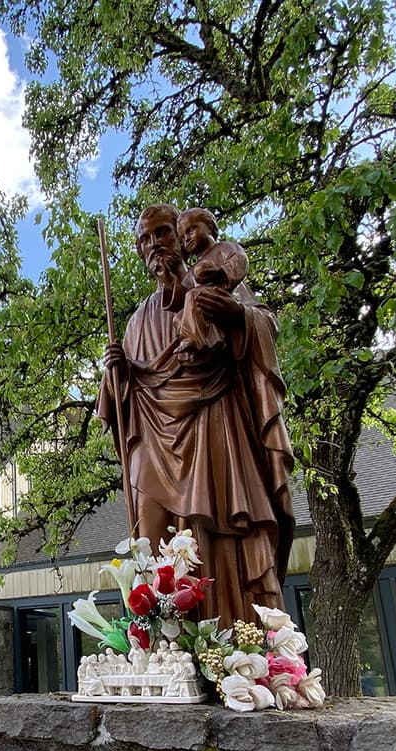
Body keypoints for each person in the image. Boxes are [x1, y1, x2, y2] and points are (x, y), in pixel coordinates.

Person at [96, 203, 295, 626]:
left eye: (162, 234)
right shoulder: (136, 321)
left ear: (181, 236)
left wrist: (237, 316)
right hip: (152, 442)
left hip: (212, 426)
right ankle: (164, 638)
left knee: (217, 532)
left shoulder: (214, 280)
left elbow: (261, 325)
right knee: (152, 539)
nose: (154, 245)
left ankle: (233, 639)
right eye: (144, 240)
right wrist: (119, 372)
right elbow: (122, 402)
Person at [172, 207, 255, 360]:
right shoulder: (193, 269)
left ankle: (196, 340)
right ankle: (205, 341)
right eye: (182, 238)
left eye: (190, 231)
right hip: (203, 310)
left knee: (194, 295)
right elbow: (183, 290)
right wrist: (172, 270)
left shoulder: (224, 248)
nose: (187, 239)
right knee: (178, 317)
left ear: (209, 227)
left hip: (223, 296)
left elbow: (240, 261)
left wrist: (219, 272)